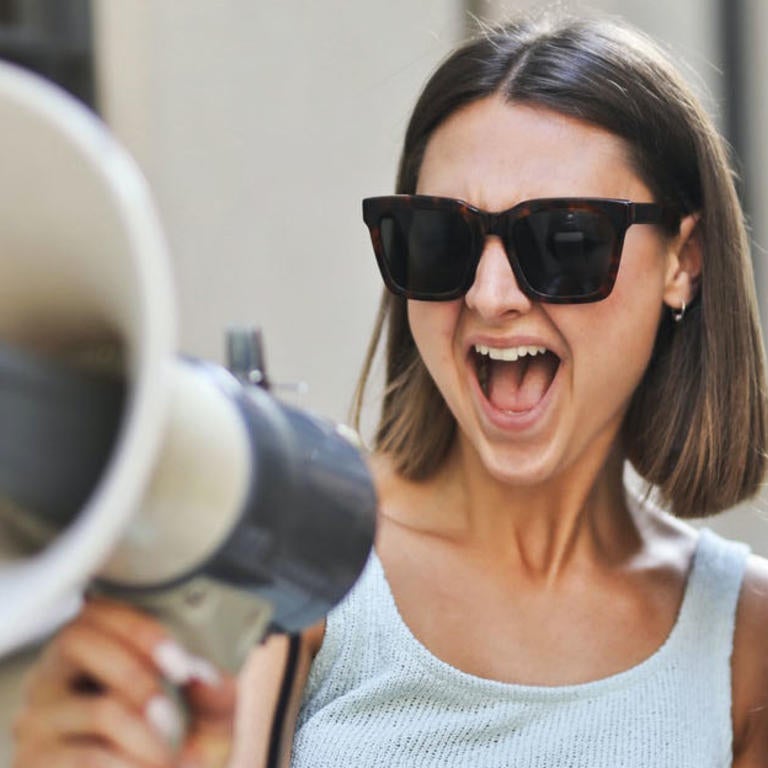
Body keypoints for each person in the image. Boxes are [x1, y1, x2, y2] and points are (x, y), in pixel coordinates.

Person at [11, 11, 768, 768]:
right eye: (440, 240)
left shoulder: (746, 641)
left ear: (684, 262)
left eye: (565, 242)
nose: (490, 293)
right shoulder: (302, 553)